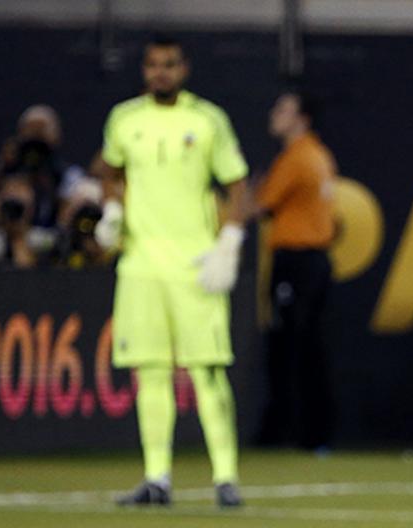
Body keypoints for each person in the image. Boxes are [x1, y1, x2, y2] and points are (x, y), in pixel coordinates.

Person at [94, 35, 248, 507]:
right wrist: (112, 210)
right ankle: (156, 478)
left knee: (207, 370)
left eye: (170, 65)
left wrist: (230, 241)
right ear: (145, 70)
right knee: (151, 371)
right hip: (140, 265)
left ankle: (226, 478)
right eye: (154, 65)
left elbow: (238, 184)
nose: (161, 72)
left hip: (193, 264)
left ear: (184, 70)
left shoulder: (206, 119)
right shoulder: (125, 119)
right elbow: (109, 169)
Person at [254, 91, 337, 450]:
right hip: (316, 261)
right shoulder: (320, 155)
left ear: (301, 118)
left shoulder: (296, 157)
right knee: (308, 346)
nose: (274, 114)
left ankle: (288, 431)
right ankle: (314, 432)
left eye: (283, 109)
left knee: (288, 347)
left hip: (296, 261)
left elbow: (262, 204)